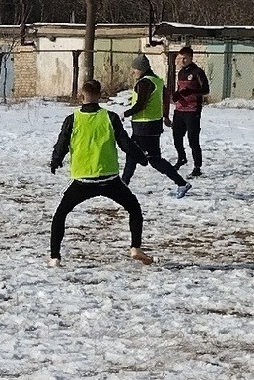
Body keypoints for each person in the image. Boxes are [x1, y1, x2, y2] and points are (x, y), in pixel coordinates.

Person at [48, 79, 153, 267]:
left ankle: (55, 257)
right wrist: (141, 157)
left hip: (82, 181)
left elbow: (62, 144)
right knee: (134, 209)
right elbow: (125, 143)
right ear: (100, 95)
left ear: (82, 95)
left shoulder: (72, 119)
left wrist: (55, 161)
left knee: (60, 215)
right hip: (109, 179)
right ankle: (135, 247)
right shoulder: (110, 117)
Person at [119, 54, 192, 197]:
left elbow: (140, 105)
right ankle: (123, 185)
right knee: (132, 155)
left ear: (141, 69)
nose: (133, 72)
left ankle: (181, 183)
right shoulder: (158, 81)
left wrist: (125, 114)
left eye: (135, 70)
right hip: (152, 125)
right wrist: (165, 116)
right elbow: (165, 99)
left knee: (154, 159)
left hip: (144, 127)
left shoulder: (144, 83)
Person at [169, 45, 211, 177]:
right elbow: (180, 89)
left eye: (185, 58)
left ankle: (197, 166)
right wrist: (176, 95)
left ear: (191, 58)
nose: (182, 61)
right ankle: (181, 157)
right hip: (180, 109)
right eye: (181, 58)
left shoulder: (198, 72)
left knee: (193, 139)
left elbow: (205, 90)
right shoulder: (181, 73)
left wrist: (192, 91)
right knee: (176, 136)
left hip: (193, 110)